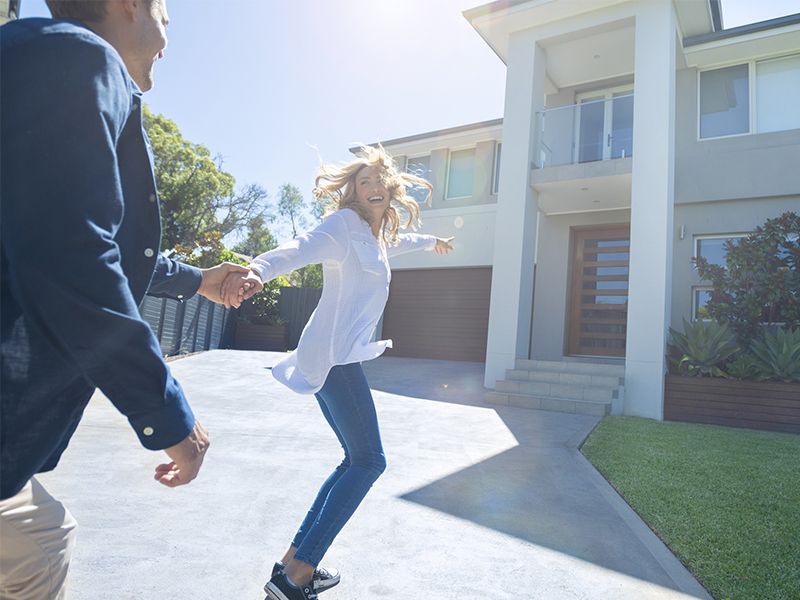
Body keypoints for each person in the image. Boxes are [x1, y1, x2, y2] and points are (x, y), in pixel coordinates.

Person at [0, 1, 254, 598]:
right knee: (37, 546)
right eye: (167, 9)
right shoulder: (79, 56)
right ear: (129, 5)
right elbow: (75, 254)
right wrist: (168, 414)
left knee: (38, 533)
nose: (169, 30)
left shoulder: (37, 53)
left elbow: (103, 242)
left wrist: (200, 278)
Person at [220, 145, 455, 600]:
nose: (370, 188)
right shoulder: (343, 226)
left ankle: (291, 562)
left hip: (333, 357)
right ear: (353, 192)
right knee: (370, 461)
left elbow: (399, 244)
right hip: (336, 358)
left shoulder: (374, 237)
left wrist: (432, 242)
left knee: (354, 459)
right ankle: (300, 575)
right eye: (361, 182)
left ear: (390, 189)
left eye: (377, 181)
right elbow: (299, 247)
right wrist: (257, 271)